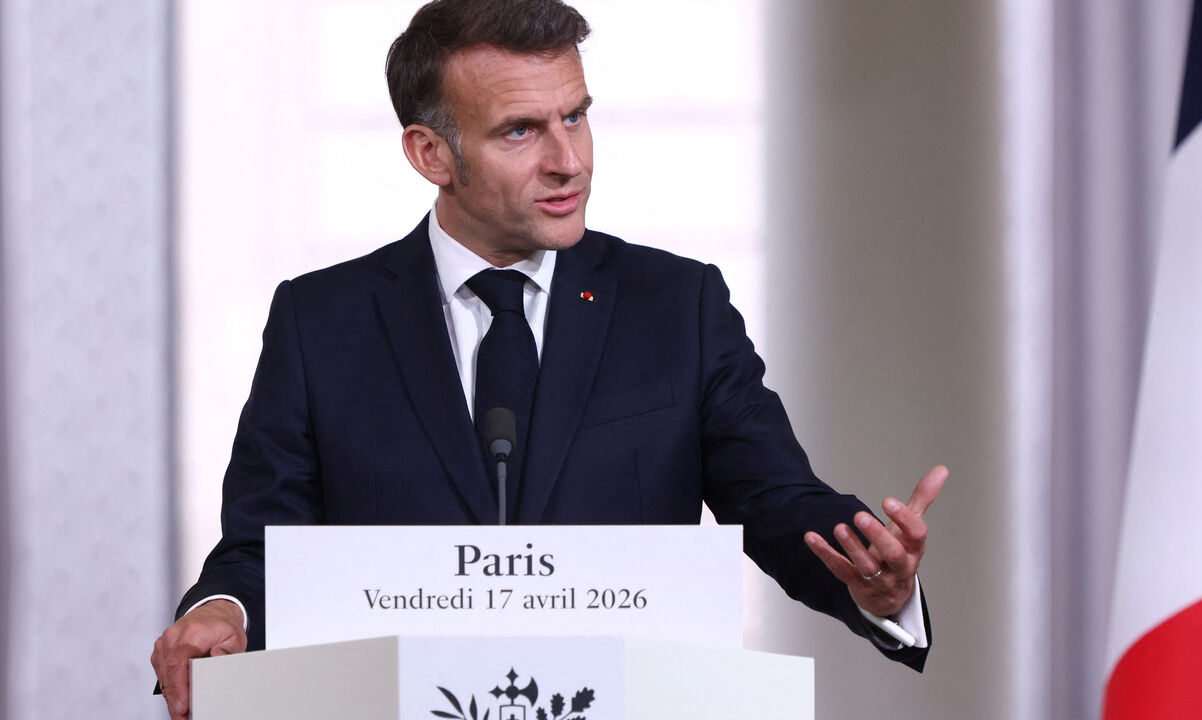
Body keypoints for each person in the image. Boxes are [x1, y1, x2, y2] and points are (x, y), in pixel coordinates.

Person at [151, 1, 947, 717]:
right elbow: (264, 541)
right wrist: (224, 608)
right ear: (431, 153)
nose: (569, 161)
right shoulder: (320, 320)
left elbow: (776, 500)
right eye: (522, 131)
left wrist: (868, 569)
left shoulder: (678, 305)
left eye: (576, 116)